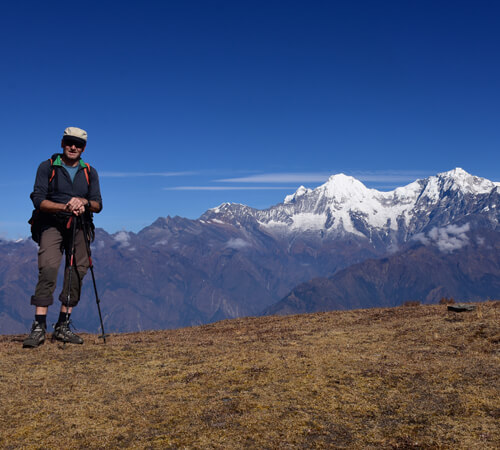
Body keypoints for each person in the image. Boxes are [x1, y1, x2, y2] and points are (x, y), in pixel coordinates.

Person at [23, 127, 103, 348]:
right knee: (48, 268)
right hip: (51, 224)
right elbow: (38, 200)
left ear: (83, 148)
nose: (73, 147)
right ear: (62, 143)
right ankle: (39, 326)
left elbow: (97, 204)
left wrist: (83, 202)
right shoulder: (47, 167)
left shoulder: (90, 172)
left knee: (78, 270)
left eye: (78, 144)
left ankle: (62, 326)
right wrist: (65, 206)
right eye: (69, 142)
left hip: (80, 225)